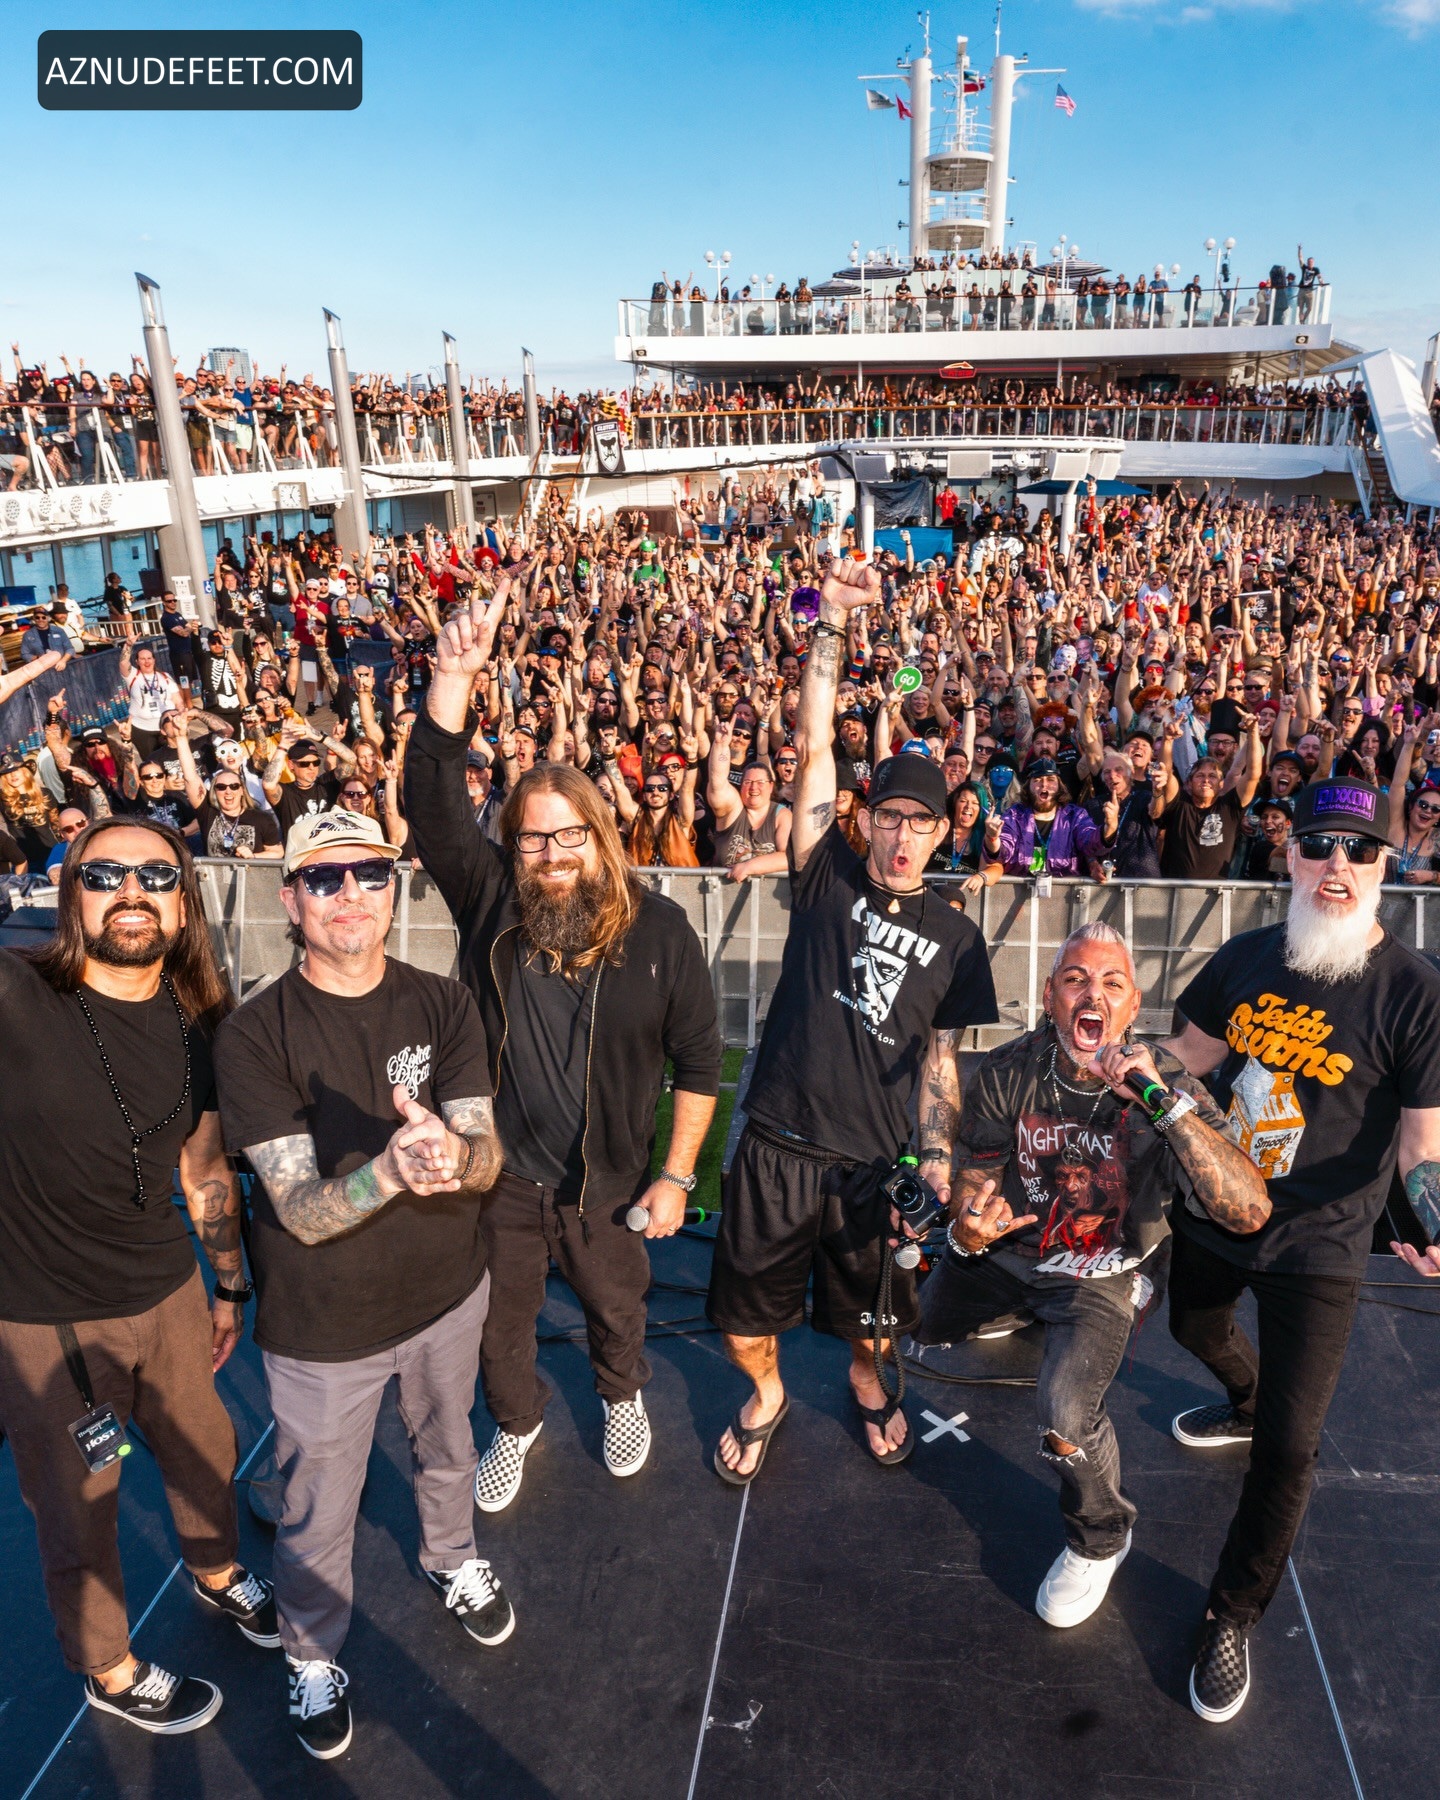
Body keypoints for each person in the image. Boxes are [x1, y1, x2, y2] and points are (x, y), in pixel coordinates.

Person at [404, 576, 721, 1511]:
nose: (551, 856)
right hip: (499, 1171)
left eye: (568, 836)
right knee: (499, 1326)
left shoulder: (661, 932)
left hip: (608, 1177)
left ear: (600, 835)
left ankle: (622, 1398)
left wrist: (676, 1177)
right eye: (532, 841)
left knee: (617, 1306)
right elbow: (432, 805)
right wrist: (452, 684)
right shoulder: (491, 901)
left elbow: (700, 1064)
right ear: (511, 848)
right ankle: (516, 1422)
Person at [214, 808, 510, 1760]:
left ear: (395, 889)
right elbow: (300, 1211)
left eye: (371, 874)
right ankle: (310, 1656)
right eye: (324, 876)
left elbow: (487, 1151)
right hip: (323, 1330)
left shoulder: (444, 1002)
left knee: (449, 1448)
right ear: (290, 898)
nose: (350, 893)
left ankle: (452, 1559)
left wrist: (454, 1157)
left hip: (448, 1296)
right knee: (316, 1509)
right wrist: (389, 1172)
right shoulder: (252, 1035)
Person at [707, 559, 999, 1480]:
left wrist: (938, 1158)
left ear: (943, 832)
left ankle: (870, 1387)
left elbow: (942, 1061)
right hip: (775, 1142)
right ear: (865, 821)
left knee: (873, 1332)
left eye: (922, 822)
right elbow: (814, 748)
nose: (904, 836)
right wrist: (830, 621)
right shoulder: (825, 873)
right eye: (890, 817)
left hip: (873, 1169)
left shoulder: (958, 938)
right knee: (743, 1323)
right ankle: (767, 1395)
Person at [1162, 780, 1440, 1722]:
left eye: (1359, 849)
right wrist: (1120, 1066)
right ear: (1289, 857)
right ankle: (1240, 1397)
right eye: (1319, 845)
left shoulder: (1415, 991)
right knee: (1193, 1328)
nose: (1337, 865)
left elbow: (1422, 1145)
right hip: (1216, 1205)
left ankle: (1232, 1613)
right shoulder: (1244, 957)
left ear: (1385, 867)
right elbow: (1190, 1054)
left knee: (1289, 1450)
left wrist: (1432, 1219)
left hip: (1324, 1240)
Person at [0, 818, 278, 1737]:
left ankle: (216, 1571)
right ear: (70, 895)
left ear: (183, 902)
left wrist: (229, 1283)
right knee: (79, 1502)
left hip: (167, 1291)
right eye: (105, 873)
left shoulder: (201, 1025)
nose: (131, 890)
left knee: (207, 1448)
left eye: (156, 876)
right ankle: (108, 1669)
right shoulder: (16, 995)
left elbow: (203, 1167)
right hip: (48, 1324)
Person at [915, 924, 1268, 1627]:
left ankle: (1101, 1534)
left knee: (1065, 1413)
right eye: (1075, 979)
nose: (1092, 994)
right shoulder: (1010, 1070)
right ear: (1049, 996)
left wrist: (1157, 1101)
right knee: (916, 1324)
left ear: (1133, 1005)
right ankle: (1014, 1309)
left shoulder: (1167, 1083)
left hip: (1105, 1271)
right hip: (1013, 1252)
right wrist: (969, 1224)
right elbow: (976, 1172)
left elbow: (1248, 1210)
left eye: (1112, 983)